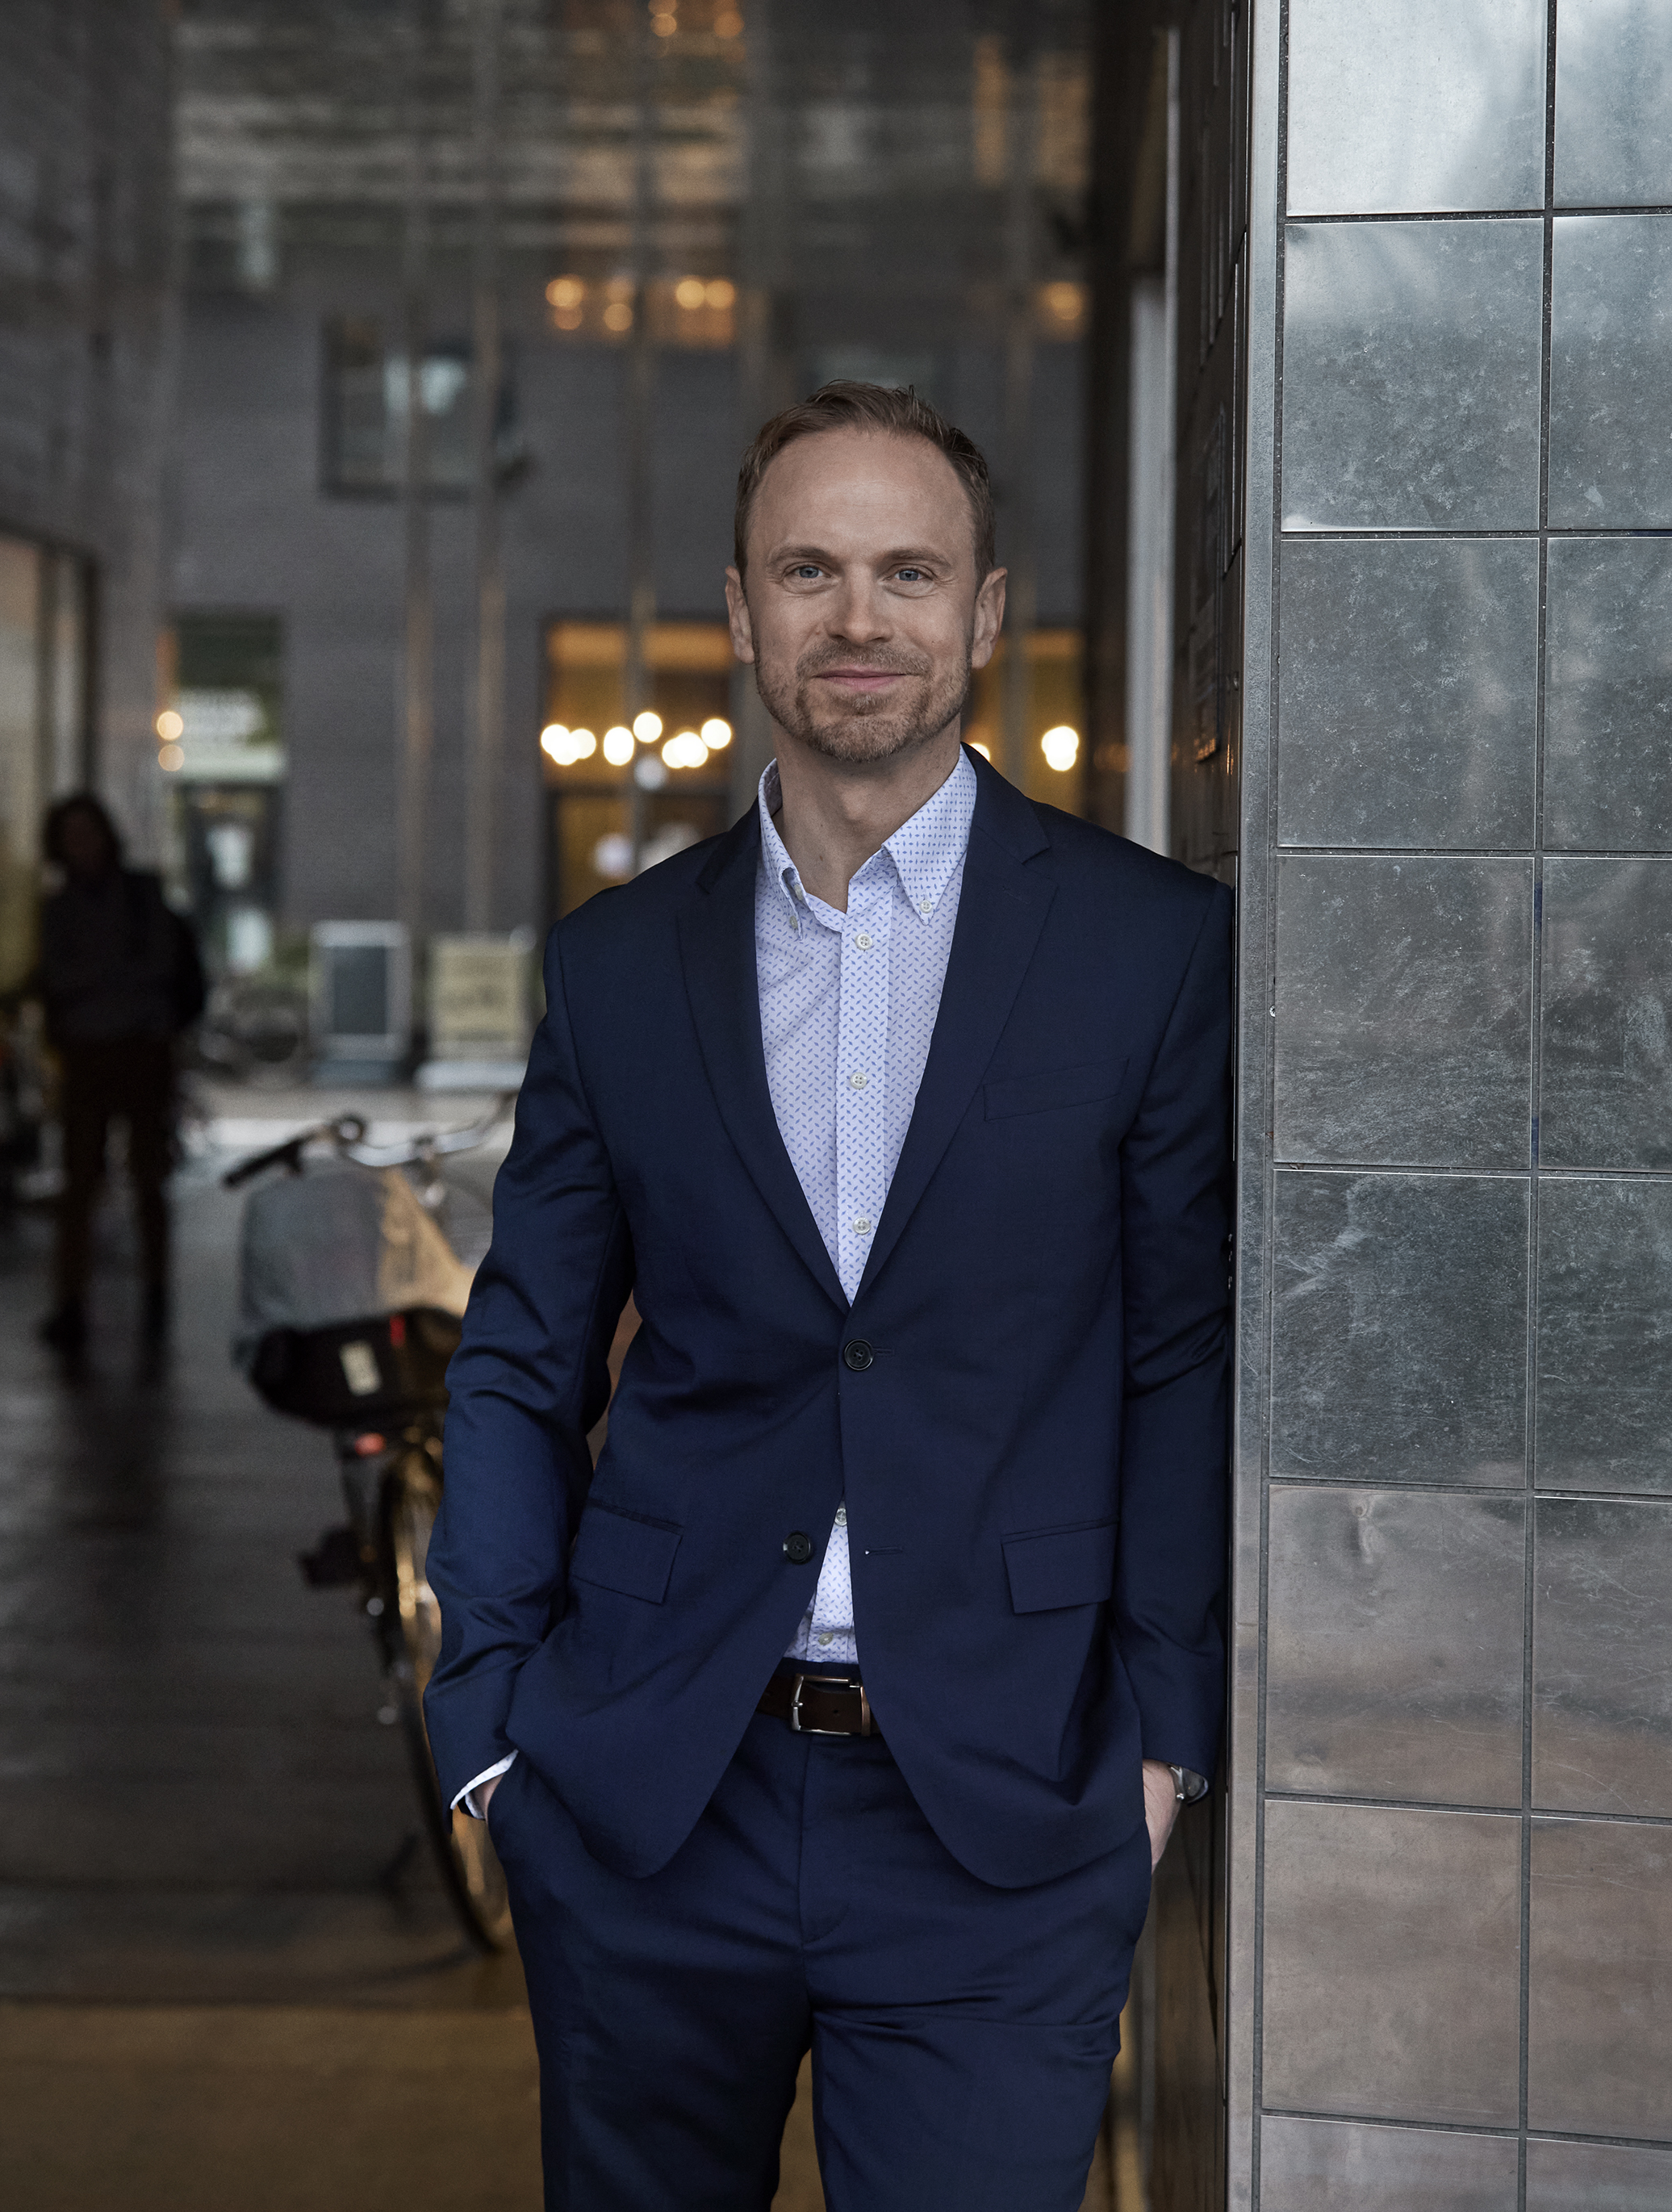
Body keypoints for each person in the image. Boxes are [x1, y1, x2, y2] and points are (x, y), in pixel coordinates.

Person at [425, 381, 1231, 2211]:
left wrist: (1164, 1737)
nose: (858, 616)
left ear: (984, 608)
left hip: (1005, 1808)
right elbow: (524, 1352)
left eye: (906, 570)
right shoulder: (619, 963)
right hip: (648, 1794)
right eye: (808, 569)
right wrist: (487, 1724)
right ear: (740, 607)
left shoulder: (1148, 947)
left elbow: (1177, 1355)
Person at [36, 792, 205, 1367]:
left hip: (140, 1052)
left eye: (88, 833)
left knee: (147, 1179)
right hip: (89, 1056)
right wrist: (111, 980)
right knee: (80, 1183)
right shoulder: (60, 907)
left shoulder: (140, 895)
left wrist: (99, 984)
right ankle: (71, 1303)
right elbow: (60, 976)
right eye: (71, 837)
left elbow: (155, 966)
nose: (81, 846)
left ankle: (156, 1296)